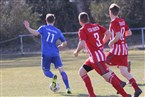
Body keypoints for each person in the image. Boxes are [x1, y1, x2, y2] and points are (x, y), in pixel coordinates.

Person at [74, 12, 131, 97]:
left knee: (108, 77)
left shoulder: (82, 30)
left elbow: (82, 43)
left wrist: (76, 52)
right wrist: (102, 42)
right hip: (96, 57)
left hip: (96, 59)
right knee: (82, 72)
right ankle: (92, 95)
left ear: (80, 21)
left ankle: (125, 95)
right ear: (88, 19)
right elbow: (109, 33)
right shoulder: (96, 26)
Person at [23, 13, 71, 94]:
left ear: (46, 20)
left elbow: (35, 33)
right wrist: (61, 46)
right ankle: (68, 88)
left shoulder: (43, 28)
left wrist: (28, 27)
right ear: (54, 21)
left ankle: (53, 77)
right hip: (55, 53)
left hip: (46, 54)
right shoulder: (57, 31)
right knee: (61, 70)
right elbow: (65, 42)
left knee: (46, 71)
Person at [106, 3, 142, 97]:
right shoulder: (122, 20)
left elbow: (118, 35)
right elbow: (129, 33)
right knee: (124, 71)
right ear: (118, 12)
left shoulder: (114, 22)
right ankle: (137, 89)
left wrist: (111, 42)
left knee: (102, 64)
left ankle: (119, 82)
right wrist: (120, 38)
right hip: (124, 48)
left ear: (110, 12)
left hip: (117, 49)